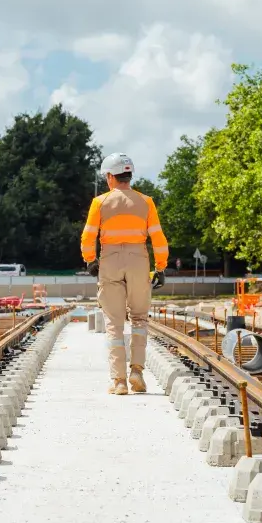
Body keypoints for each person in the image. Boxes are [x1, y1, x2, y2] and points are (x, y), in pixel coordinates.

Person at [81, 152, 168, 395]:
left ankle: (118, 381)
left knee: (113, 323)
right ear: (128, 175)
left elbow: (88, 236)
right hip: (139, 259)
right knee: (139, 318)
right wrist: (160, 267)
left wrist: (90, 260)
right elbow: (158, 238)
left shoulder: (100, 202)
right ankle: (137, 372)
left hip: (109, 259)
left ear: (110, 176)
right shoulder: (146, 201)